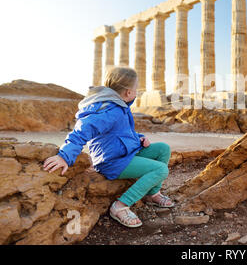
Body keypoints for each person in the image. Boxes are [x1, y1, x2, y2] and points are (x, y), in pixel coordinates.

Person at [43, 66, 174, 228]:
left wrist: (139, 139)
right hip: (112, 162)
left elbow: (122, 133)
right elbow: (82, 130)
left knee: (163, 148)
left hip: (125, 154)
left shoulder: (119, 105)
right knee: (161, 170)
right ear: (128, 92)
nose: (137, 92)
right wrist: (64, 155)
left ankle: (152, 193)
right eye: (136, 89)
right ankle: (120, 207)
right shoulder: (109, 110)